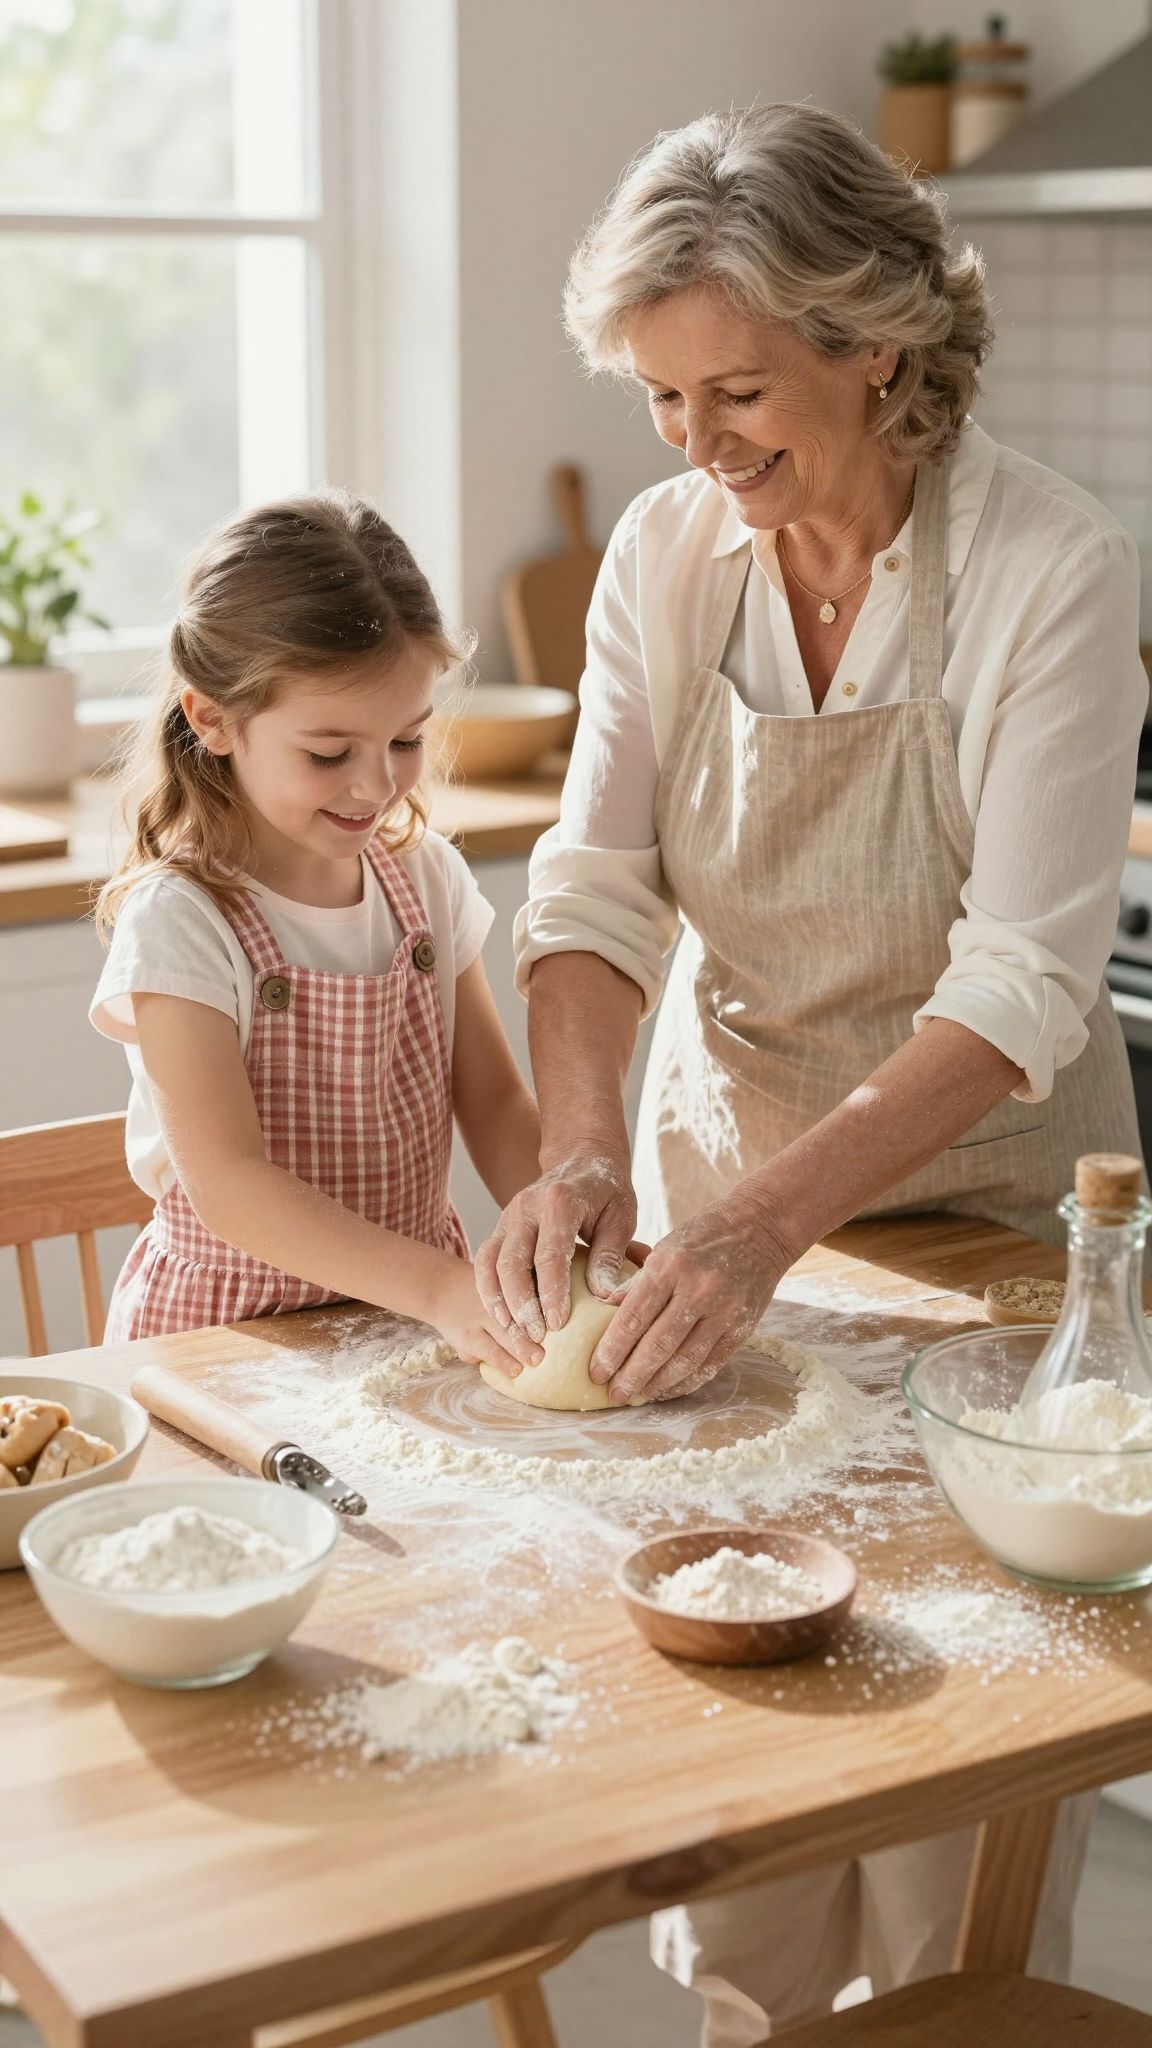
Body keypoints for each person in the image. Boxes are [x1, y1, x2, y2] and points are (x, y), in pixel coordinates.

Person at [480, 104, 1145, 2039]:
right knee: (744, 1770)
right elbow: (591, 890)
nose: (696, 443)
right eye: (662, 397)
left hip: (996, 1254)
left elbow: (1020, 983)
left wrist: (770, 1221)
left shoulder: (1047, 566)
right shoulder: (670, 558)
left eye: (740, 388)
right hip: (719, 1207)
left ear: (876, 337)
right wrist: (587, 1152)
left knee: (948, 1763)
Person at [92, 490, 543, 1380]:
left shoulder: (426, 882)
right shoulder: (184, 921)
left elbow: (491, 1102)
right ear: (213, 719)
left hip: (407, 1326)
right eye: (329, 753)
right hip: (228, 1339)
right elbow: (231, 1187)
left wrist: (560, 1225)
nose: (376, 787)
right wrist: (443, 1289)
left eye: (407, 739)